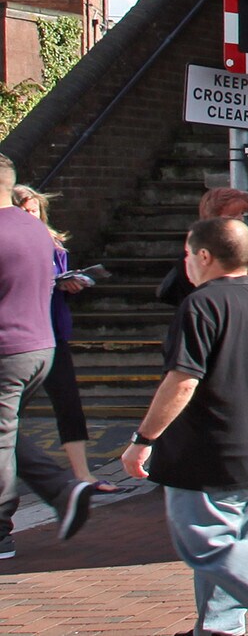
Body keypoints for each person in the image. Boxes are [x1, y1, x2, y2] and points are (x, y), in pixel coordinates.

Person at [120, 217, 248, 636]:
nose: (186, 264)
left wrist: (143, 440)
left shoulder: (200, 305)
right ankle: (219, 628)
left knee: (205, 542)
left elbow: (183, 380)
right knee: (240, 549)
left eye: (186, 254)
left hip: (209, 448)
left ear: (203, 255)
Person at [0, 153, 93, 561]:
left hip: (6, 349)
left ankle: (2, 531)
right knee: (4, 434)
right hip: (42, 348)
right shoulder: (37, 230)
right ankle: (62, 489)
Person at [13, 187, 117, 494]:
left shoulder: (55, 246)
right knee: (11, 413)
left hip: (52, 333)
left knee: (68, 403)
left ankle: (83, 474)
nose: (31, 218)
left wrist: (69, 283)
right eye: (24, 211)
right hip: (19, 339)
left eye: (34, 212)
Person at [159, 188, 248, 305]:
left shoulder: (236, 248)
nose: (241, 220)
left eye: (242, 214)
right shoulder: (195, 256)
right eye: (232, 216)